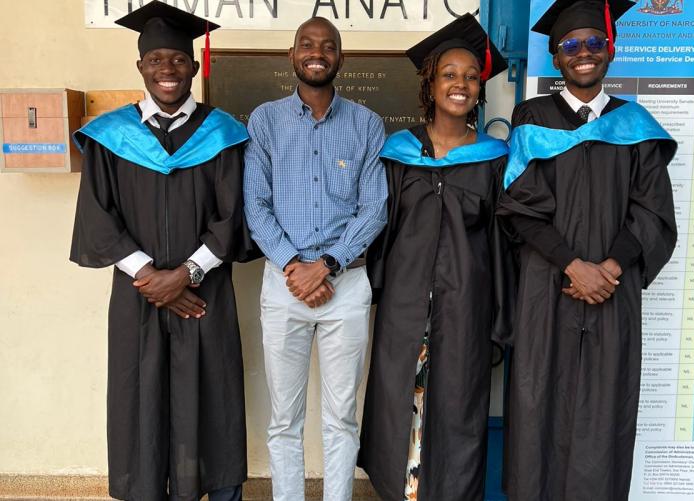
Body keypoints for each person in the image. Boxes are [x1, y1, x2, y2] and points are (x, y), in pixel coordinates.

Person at [69, 3, 254, 500]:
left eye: (177, 60)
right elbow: (97, 219)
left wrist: (186, 274)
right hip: (139, 299)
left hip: (205, 299)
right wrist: (155, 279)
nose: (167, 70)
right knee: (141, 402)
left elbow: (232, 217)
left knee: (211, 401)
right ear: (140, 68)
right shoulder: (110, 139)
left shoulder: (223, 135)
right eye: (156, 61)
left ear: (194, 67)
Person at [498, 1, 678, 499]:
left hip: (612, 295)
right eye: (571, 45)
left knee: (604, 413)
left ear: (609, 50)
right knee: (538, 406)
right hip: (548, 290)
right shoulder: (532, 118)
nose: (583, 54)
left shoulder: (634, 124)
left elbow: (652, 210)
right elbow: (518, 205)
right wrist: (573, 265)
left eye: (594, 43)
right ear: (556, 58)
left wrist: (609, 268)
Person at [357, 14, 516, 501]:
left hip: (465, 306)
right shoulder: (398, 152)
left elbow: (503, 241)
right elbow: (378, 232)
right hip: (405, 310)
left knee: (459, 411)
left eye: (471, 76)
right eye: (449, 74)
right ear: (431, 82)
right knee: (396, 407)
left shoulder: (494, 158)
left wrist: (498, 315)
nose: (461, 84)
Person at [242, 17, 388, 501]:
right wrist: (294, 267)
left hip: (345, 285)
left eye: (328, 46)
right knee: (284, 418)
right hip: (283, 284)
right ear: (292, 55)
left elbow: (375, 209)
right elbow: (255, 206)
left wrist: (324, 266)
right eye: (307, 44)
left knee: (341, 416)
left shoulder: (367, 124)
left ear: (340, 58)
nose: (317, 52)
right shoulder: (265, 120)